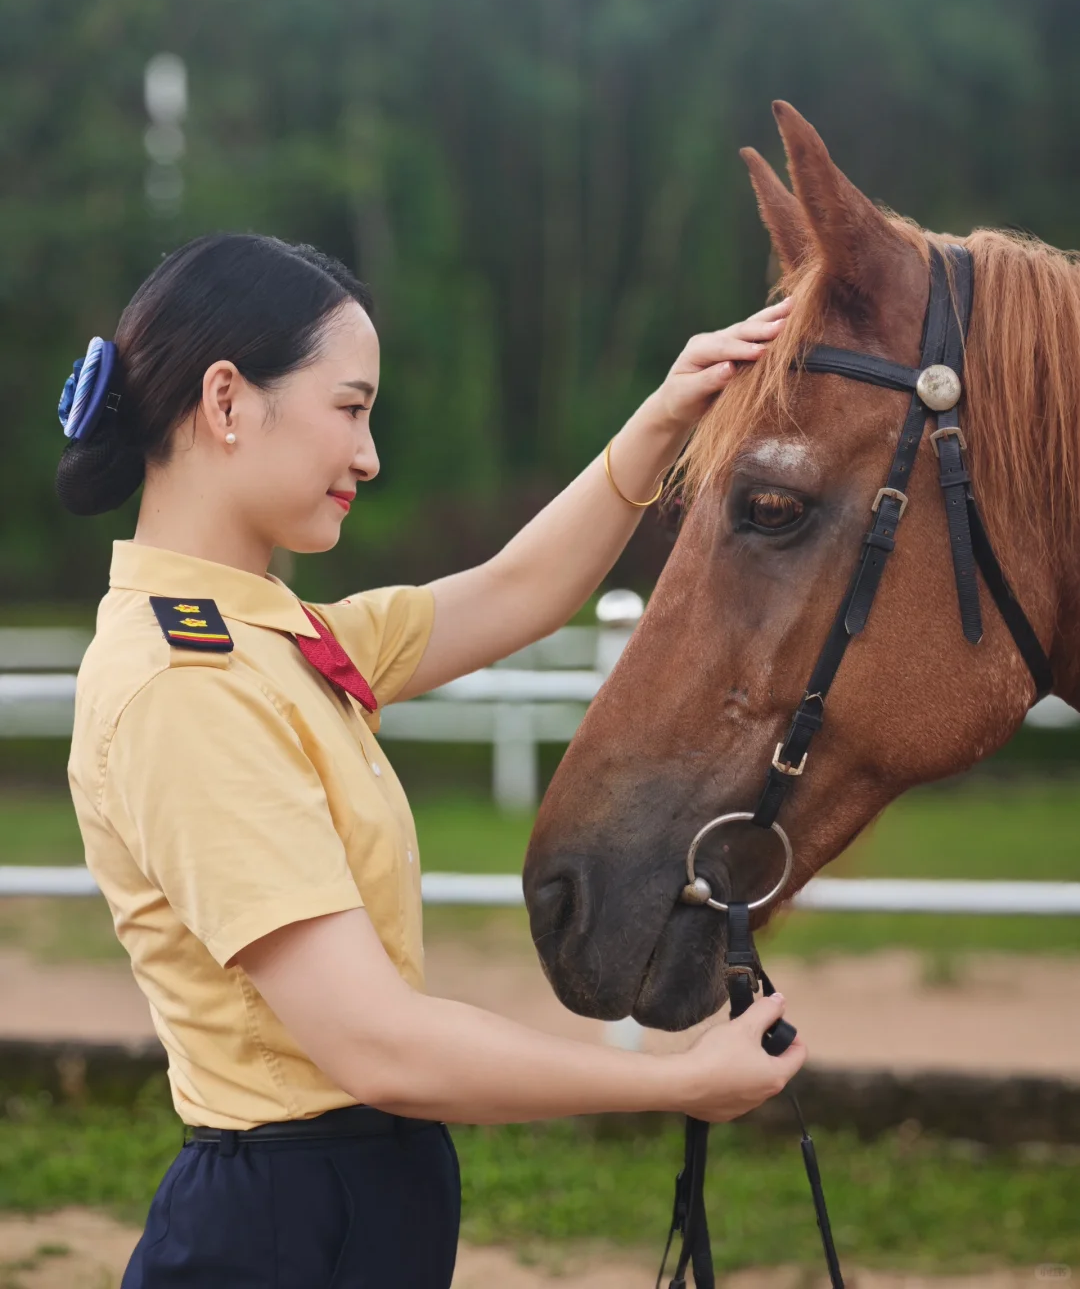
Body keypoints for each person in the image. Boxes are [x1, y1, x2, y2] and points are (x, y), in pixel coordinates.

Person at [59, 232, 800, 1288]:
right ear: (227, 402)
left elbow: (512, 591)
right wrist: (676, 1081)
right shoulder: (187, 682)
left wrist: (666, 415)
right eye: (351, 409)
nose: (369, 457)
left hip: (348, 1202)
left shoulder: (273, 635)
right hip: (279, 1227)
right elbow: (377, 1045)